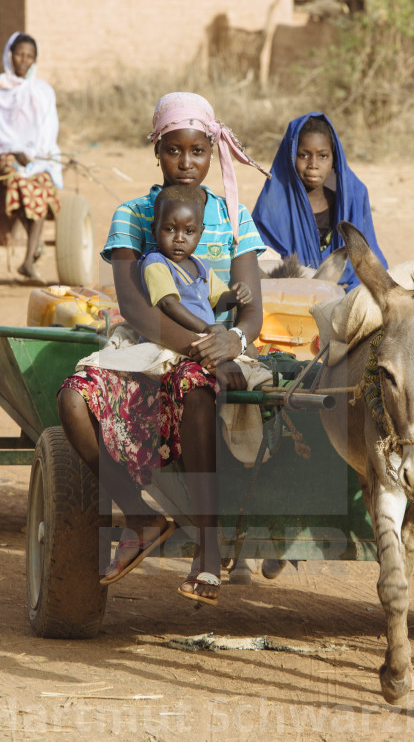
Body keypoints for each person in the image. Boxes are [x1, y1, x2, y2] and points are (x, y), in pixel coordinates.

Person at [57, 92, 268, 606]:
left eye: (199, 151)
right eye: (175, 150)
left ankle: (210, 549)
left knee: (197, 390)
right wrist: (202, 347)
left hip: (217, 355)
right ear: (158, 151)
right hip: (151, 346)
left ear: (213, 152)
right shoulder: (133, 214)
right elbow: (135, 306)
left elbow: (250, 308)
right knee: (72, 399)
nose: (187, 163)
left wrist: (233, 341)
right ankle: (142, 516)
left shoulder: (235, 217)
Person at [252, 112, 386, 290]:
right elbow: (264, 268)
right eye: (303, 155)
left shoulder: (353, 198)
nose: (313, 164)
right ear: (290, 157)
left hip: (349, 297)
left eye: (323, 156)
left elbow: (367, 260)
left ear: (334, 159)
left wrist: (343, 293)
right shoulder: (272, 207)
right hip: (289, 299)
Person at [0, 32, 63, 280]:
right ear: (10, 55)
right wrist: (14, 150)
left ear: (34, 60)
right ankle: (32, 250)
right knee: (18, 181)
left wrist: (37, 153)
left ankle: (27, 260)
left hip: (37, 155)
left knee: (41, 183)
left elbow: (49, 130)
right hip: (4, 153)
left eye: (29, 56)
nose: (23, 61)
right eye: (19, 55)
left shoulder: (44, 91)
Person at [142, 184, 252, 335]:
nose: (179, 239)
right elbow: (167, 303)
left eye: (189, 231)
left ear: (200, 233)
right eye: (170, 229)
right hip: (173, 341)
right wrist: (204, 328)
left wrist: (235, 296)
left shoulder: (202, 267)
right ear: (154, 231)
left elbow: (219, 300)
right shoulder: (156, 262)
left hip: (202, 339)